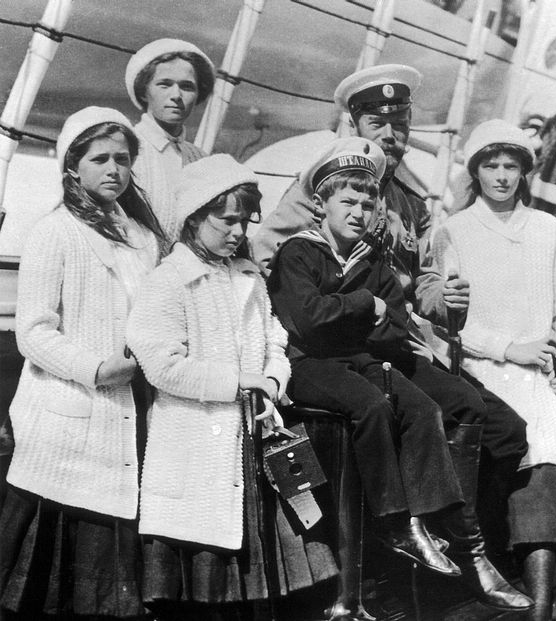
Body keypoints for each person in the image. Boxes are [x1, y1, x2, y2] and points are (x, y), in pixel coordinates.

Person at [253, 64, 532, 610]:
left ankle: (458, 550)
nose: (389, 134)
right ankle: (436, 563)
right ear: (354, 124)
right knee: (426, 410)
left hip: (397, 339)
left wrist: (442, 298)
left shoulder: (410, 202)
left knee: (500, 428)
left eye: (399, 124)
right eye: (376, 123)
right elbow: (269, 259)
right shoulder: (319, 192)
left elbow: (422, 281)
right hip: (336, 349)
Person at [126, 154, 337, 620]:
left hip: (254, 441)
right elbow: (161, 365)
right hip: (196, 441)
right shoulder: (168, 282)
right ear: (194, 218)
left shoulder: (249, 278)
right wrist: (238, 382)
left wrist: (273, 381)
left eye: (245, 221)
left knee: (261, 578)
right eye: (226, 221)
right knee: (204, 578)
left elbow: (274, 341)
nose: (239, 232)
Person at [267, 137, 465, 588]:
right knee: (373, 406)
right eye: (348, 202)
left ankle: (421, 520)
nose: (358, 213)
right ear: (320, 206)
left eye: (367, 205)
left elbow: (396, 328)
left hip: (359, 358)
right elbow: (306, 321)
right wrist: (363, 304)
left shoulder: (372, 261)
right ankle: (393, 522)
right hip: (308, 366)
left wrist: (356, 320)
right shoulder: (298, 253)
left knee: (422, 409)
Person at [0, 106, 164, 619]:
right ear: (73, 166)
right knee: (51, 560)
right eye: (99, 159)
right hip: (66, 411)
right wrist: (94, 368)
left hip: (129, 405)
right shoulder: (55, 231)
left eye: (122, 159)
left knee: (114, 536)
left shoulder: (143, 238)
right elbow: (33, 331)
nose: (113, 168)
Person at [432, 119, 556, 621]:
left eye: (511, 166)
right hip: (482, 378)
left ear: (524, 173)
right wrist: (508, 347)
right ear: (475, 172)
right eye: (491, 166)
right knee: (502, 486)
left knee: (545, 475)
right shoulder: (453, 232)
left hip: (539, 381)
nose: (501, 176)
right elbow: (448, 326)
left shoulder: (547, 229)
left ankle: (539, 609)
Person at [125, 38, 216, 242]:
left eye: (187, 87)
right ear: (144, 91)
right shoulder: (124, 150)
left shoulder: (201, 159)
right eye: (164, 84)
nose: (176, 95)